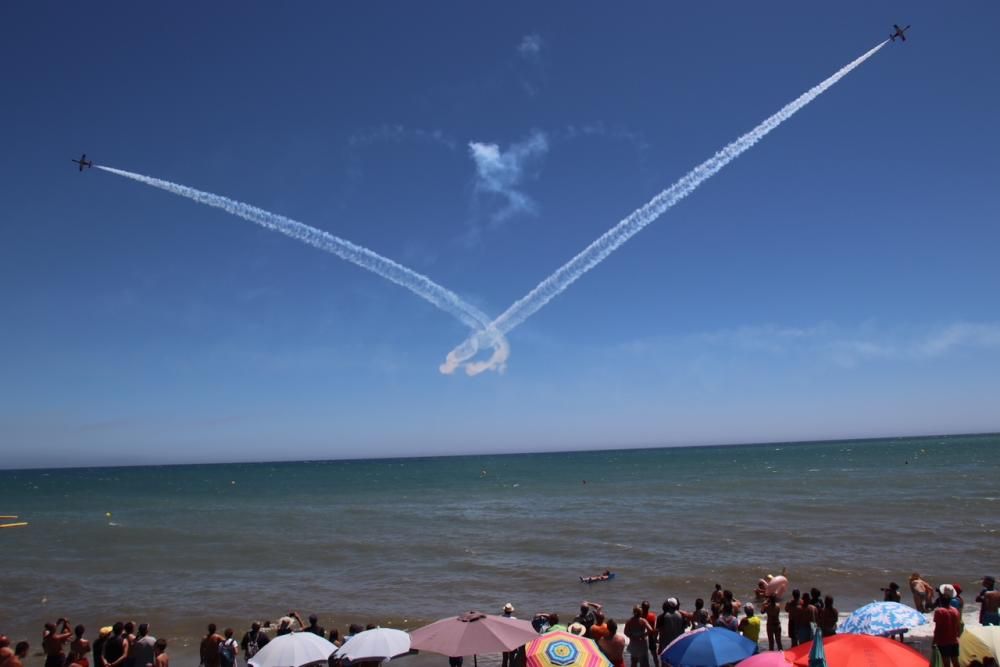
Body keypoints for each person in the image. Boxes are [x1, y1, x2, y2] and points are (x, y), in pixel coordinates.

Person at [933, 585, 961, 667]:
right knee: (956, 662)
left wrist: (934, 641)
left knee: (946, 663)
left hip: (943, 641)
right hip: (954, 640)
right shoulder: (955, 610)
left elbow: (938, 628)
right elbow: (958, 626)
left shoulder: (939, 611)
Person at [640, 601, 658, 667]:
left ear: (642, 607)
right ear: (648, 608)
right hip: (651, 637)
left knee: (644, 656)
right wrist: (656, 638)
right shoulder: (653, 615)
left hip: (643, 637)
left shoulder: (640, 616)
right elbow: (655, 629)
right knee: (654, 655)